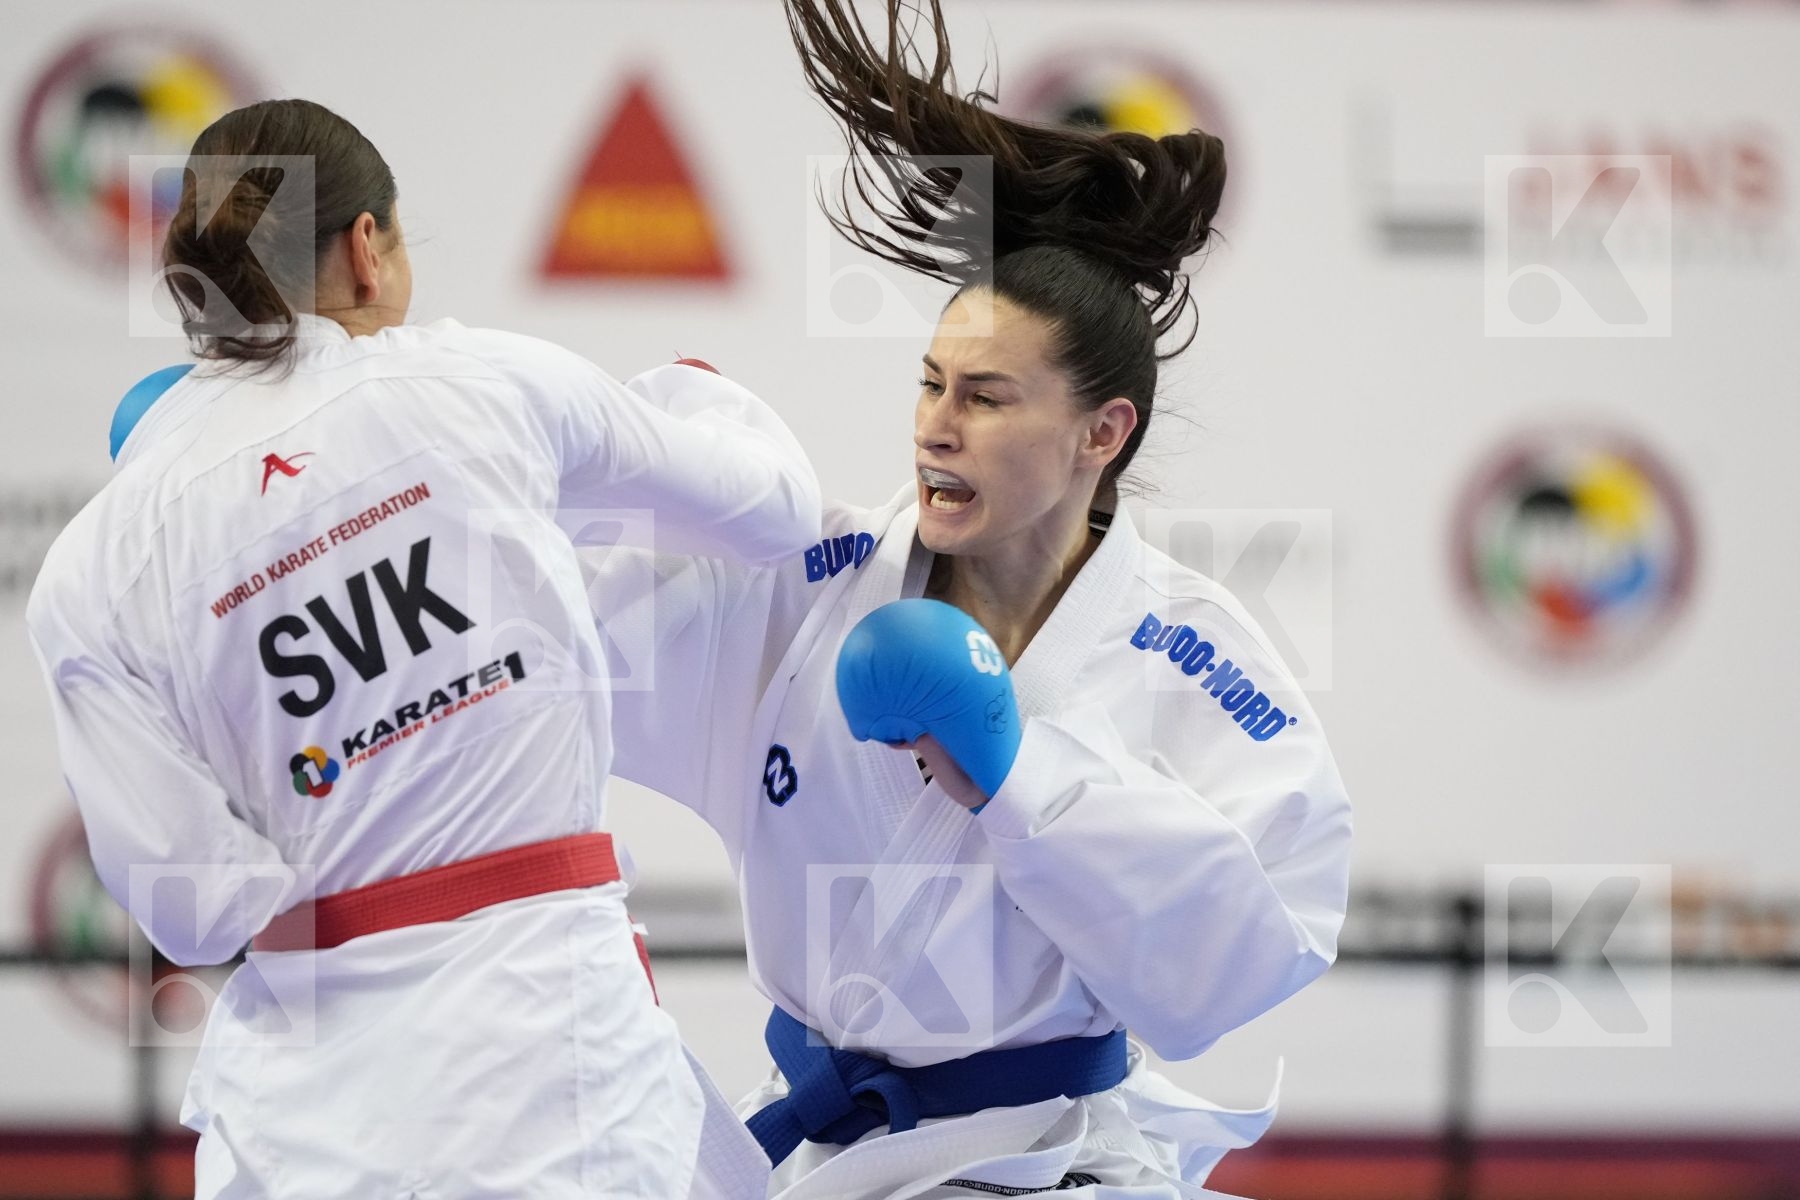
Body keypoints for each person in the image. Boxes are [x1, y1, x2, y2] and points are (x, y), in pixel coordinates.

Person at [591, 2, 1354, 1196]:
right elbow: (546, 653)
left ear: (1104, 434)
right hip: (815, 1147)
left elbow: (1250, 954)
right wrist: (625, 466)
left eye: (989, 398)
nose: (936, 426)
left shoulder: (1189, 651)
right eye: (931, 383)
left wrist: (1025, 780)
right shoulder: (813, 583)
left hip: (1044, 1158)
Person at [27, 98, 821, 1200]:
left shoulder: (92, 563)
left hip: (297, 1115)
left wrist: (334, 826)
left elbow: (188, 904)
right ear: (368, 248)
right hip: (550, 1062)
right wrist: (703, 398)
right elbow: (777, 511)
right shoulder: (481, 384)